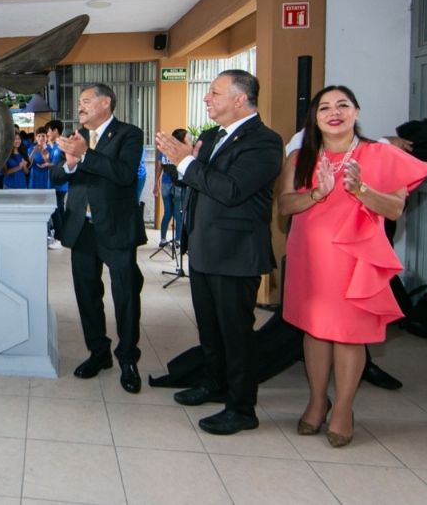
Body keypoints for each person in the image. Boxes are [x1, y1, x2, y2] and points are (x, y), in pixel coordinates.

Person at [277, 85, 427, 447]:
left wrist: (361, 189)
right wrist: (315, 194)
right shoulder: (301, 157)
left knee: (349, 335)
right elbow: (285, 206)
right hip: (311, 256)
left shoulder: (379, 155)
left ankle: (344, 409)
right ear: (314, 119)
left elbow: (394, 209)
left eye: (342, 105)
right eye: (325, 108)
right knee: (315, 330)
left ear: (356, 112)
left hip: (354, 258)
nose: (334, 112)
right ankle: (317, 401)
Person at [155, 69, 282, 435]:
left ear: (240, 99)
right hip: (206, 248)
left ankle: (242, 408)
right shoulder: (211, 137)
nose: (207, 99)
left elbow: (230, 190)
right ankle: (214, 384)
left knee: (236, 333)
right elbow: (196, 183)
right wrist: (181, 163)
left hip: (236, 252)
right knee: (210, 329)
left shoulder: (264, 141)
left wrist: (188, 162)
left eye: (214, 93)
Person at [52, 83, 146, 392]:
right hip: (82, 227)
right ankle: (98, 352)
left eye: (86, 101)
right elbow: (56, 175)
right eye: (79, 102)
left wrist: (85, 155)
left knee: (125, 295)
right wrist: (69, 160)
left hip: (116, 228)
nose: (80, 107)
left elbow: (123, 174)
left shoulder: (129, 134)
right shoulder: (78, 138)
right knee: (87, 295)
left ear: (106, 103)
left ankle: (128, 359)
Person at [153, 128, 186, 248]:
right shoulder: (183, 150)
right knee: (178, 213)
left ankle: (162, 239)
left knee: (167, 212)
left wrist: (156, 183)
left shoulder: (164, 149)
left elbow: (159, 167)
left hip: (166, 182)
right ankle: (177, 241)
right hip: (179, 183)